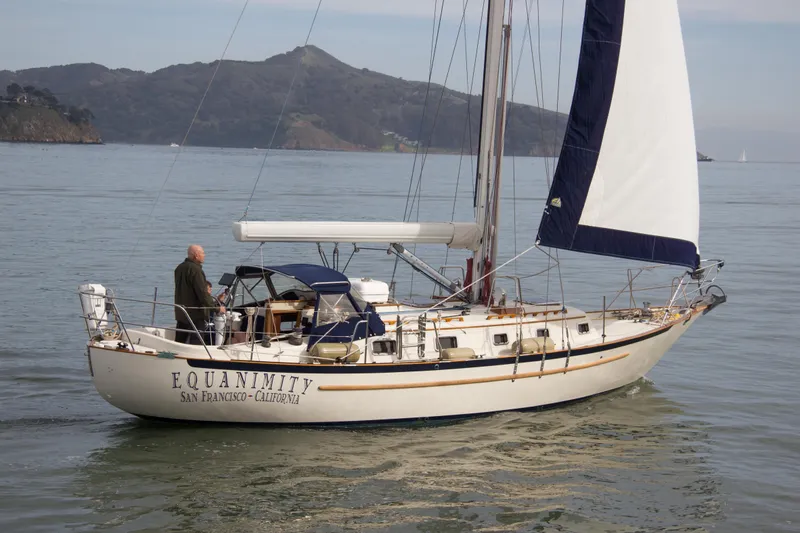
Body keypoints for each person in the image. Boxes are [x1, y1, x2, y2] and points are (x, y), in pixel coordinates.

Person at [174, 245, 225, 344]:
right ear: (196, 255)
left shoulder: (179, 268)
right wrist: (216, 308)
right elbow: (202, 294)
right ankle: (193, 359)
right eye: (202, 253)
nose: (204, 255)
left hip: (182, 312)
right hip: (195, 314)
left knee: (179, 340)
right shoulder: (196, 270)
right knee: (196, 342)